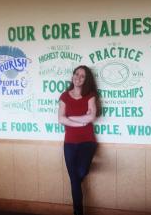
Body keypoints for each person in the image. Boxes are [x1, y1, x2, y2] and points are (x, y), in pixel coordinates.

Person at [58, 65, 100, 215]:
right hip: (69, 143)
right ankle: (78, 212)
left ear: (86, 79)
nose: (78, 77)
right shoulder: (64, 96)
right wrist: (82, 121)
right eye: (76, 74)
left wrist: (71, 119)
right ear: (73, 76)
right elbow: (60, 119)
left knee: (80, 172)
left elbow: (92, 117)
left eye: (82, 76)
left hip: (87, 142)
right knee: (74, 180)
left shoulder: (90, 95)